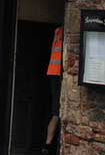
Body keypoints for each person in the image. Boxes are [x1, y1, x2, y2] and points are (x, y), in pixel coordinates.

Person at [42, 25, 64, 155]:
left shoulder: (57, 30)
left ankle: (47, 145)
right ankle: (51, 145)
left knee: (56, 113)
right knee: (58, 113)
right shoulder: (65, 32)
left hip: (52, 71)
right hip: (58, 74)